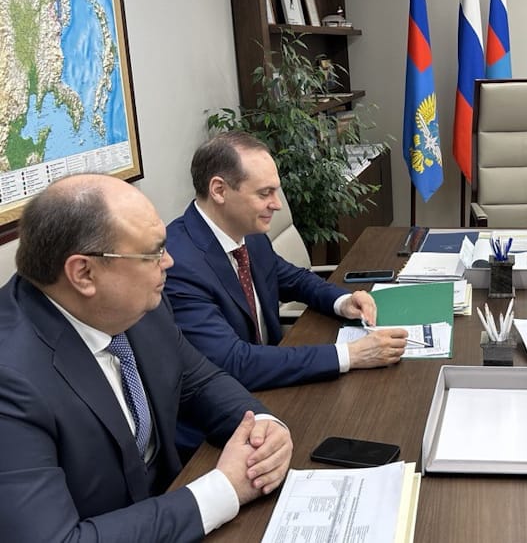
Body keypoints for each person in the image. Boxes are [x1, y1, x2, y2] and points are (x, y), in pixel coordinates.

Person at [0, 174, 293, 540]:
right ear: (84, 273)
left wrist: (262, 428)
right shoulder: (10, 378)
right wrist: (224, 489)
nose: (169, 261)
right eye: (153, 253)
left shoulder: (139, 304)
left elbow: (199, 380)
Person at [165, 132, 408, 397]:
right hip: (232, 403)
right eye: (264, 193)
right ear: (219, 190)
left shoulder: (248, 232)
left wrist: (343, 301)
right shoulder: (178, 264)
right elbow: (234, 362)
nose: (277, 204)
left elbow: (293, 279)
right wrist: (351, 355)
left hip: (275, 379)